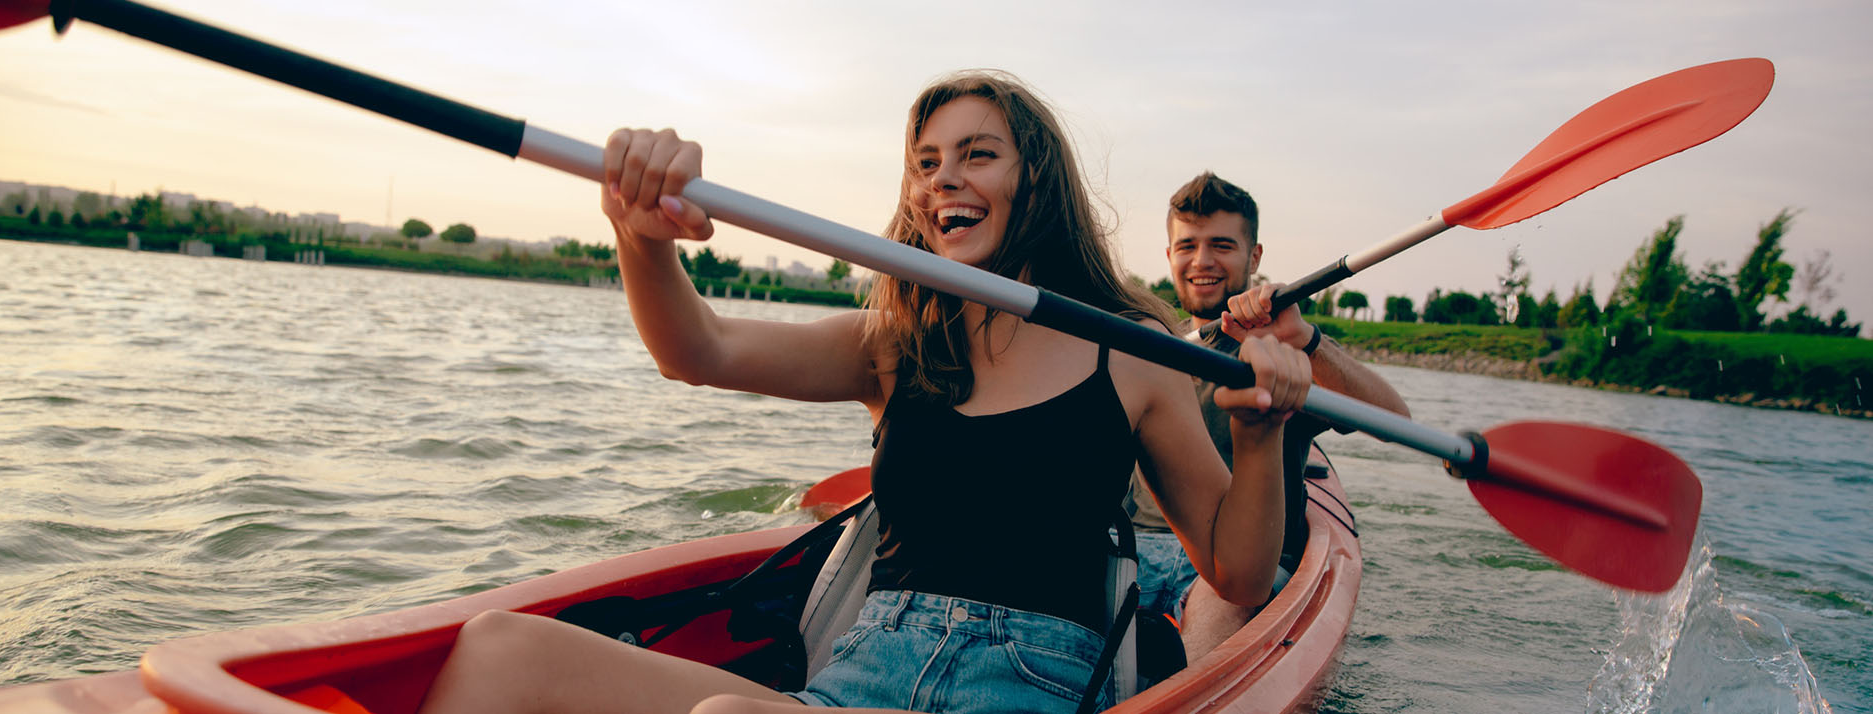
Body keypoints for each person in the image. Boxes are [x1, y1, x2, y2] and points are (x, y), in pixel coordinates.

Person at [414, 72, 1311, 714]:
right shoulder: (894, 345)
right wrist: (641, 238)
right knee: (503, 648)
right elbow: (700, 348)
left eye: (977, 154)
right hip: (858, 676)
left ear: (1033, 179)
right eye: (925, 162)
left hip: (1028, 687)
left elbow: (1235, 572)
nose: (941, 179)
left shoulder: (1132, 348)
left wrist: (1262, 435)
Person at [1129, 171, 1409, 662]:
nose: (1202, 262)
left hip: (1234, 567)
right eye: (1187, 246)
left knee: (1225, 606)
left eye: (1221, 245)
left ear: (1254, 257)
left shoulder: (1284, 352)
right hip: (1134, 548)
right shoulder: (1150, 345)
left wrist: (1307, 341)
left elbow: (1396, 421)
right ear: (1169, 256)